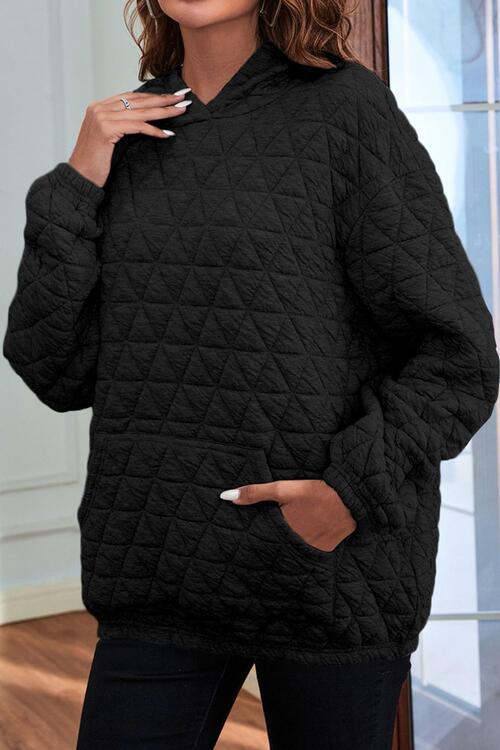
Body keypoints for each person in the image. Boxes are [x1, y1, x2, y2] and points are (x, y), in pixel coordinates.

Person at [3, 0, 499, 748]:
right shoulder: (126, 134)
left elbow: (457, 354)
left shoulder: (346, 112)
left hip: (325, 575)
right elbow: (55, 367)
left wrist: (346, 494)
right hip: (159, 567)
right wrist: (77, 180)